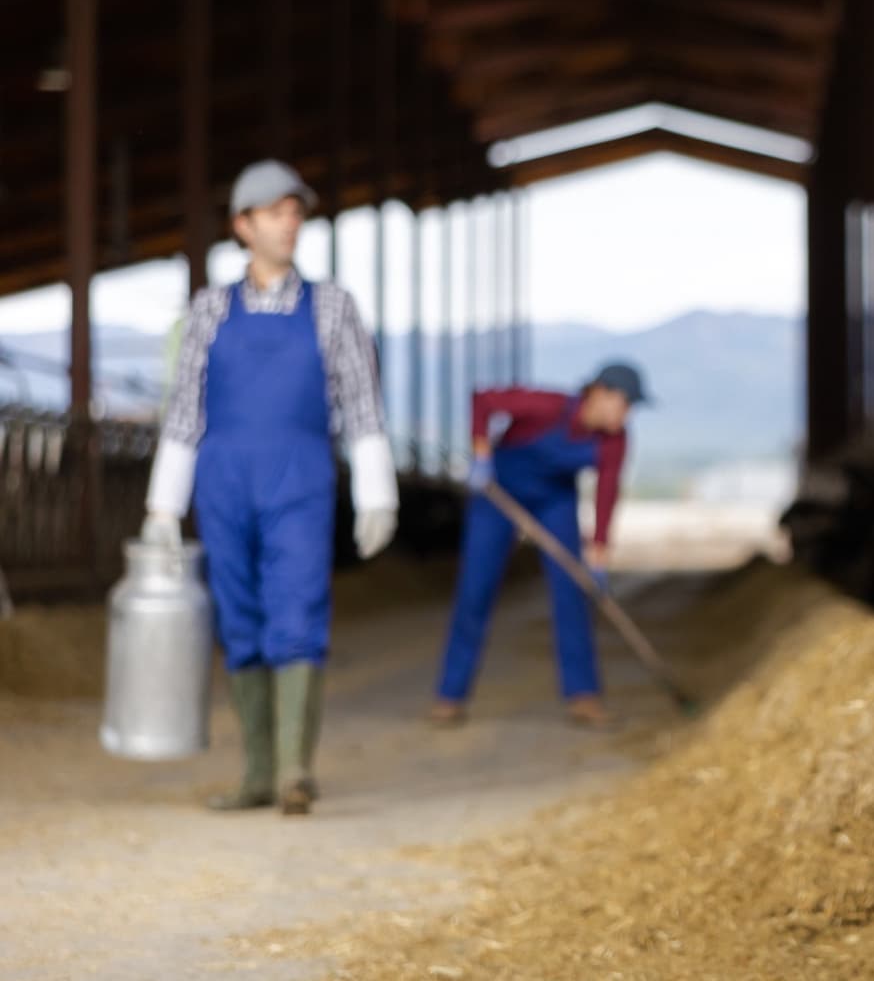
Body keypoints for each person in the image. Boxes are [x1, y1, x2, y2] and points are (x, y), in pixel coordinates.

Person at [142, 158, 398, 816]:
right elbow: (184, 411)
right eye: (276, 212)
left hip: (300, 476)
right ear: (243, 225)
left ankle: (293, 769)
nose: (290, 223)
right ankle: (256, 771)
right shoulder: (208, 310)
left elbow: (362, 403)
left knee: (298, 603)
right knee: (239, 613)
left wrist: (378, 490)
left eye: (295, 212)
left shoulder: (333, 307)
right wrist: (163, 506)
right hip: (222, 478)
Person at [428, 362, 647, 729]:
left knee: (572, 592)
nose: (628, 414)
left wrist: (598, 557)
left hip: (554, 501)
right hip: (497, 493)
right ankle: (450, 695)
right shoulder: (548, 406)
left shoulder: (616, 439)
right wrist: (481, 456)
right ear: (601, 393)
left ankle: (583, 696)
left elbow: (607, 492)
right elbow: (482, 400)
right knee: (475, 591)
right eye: (626, 404)